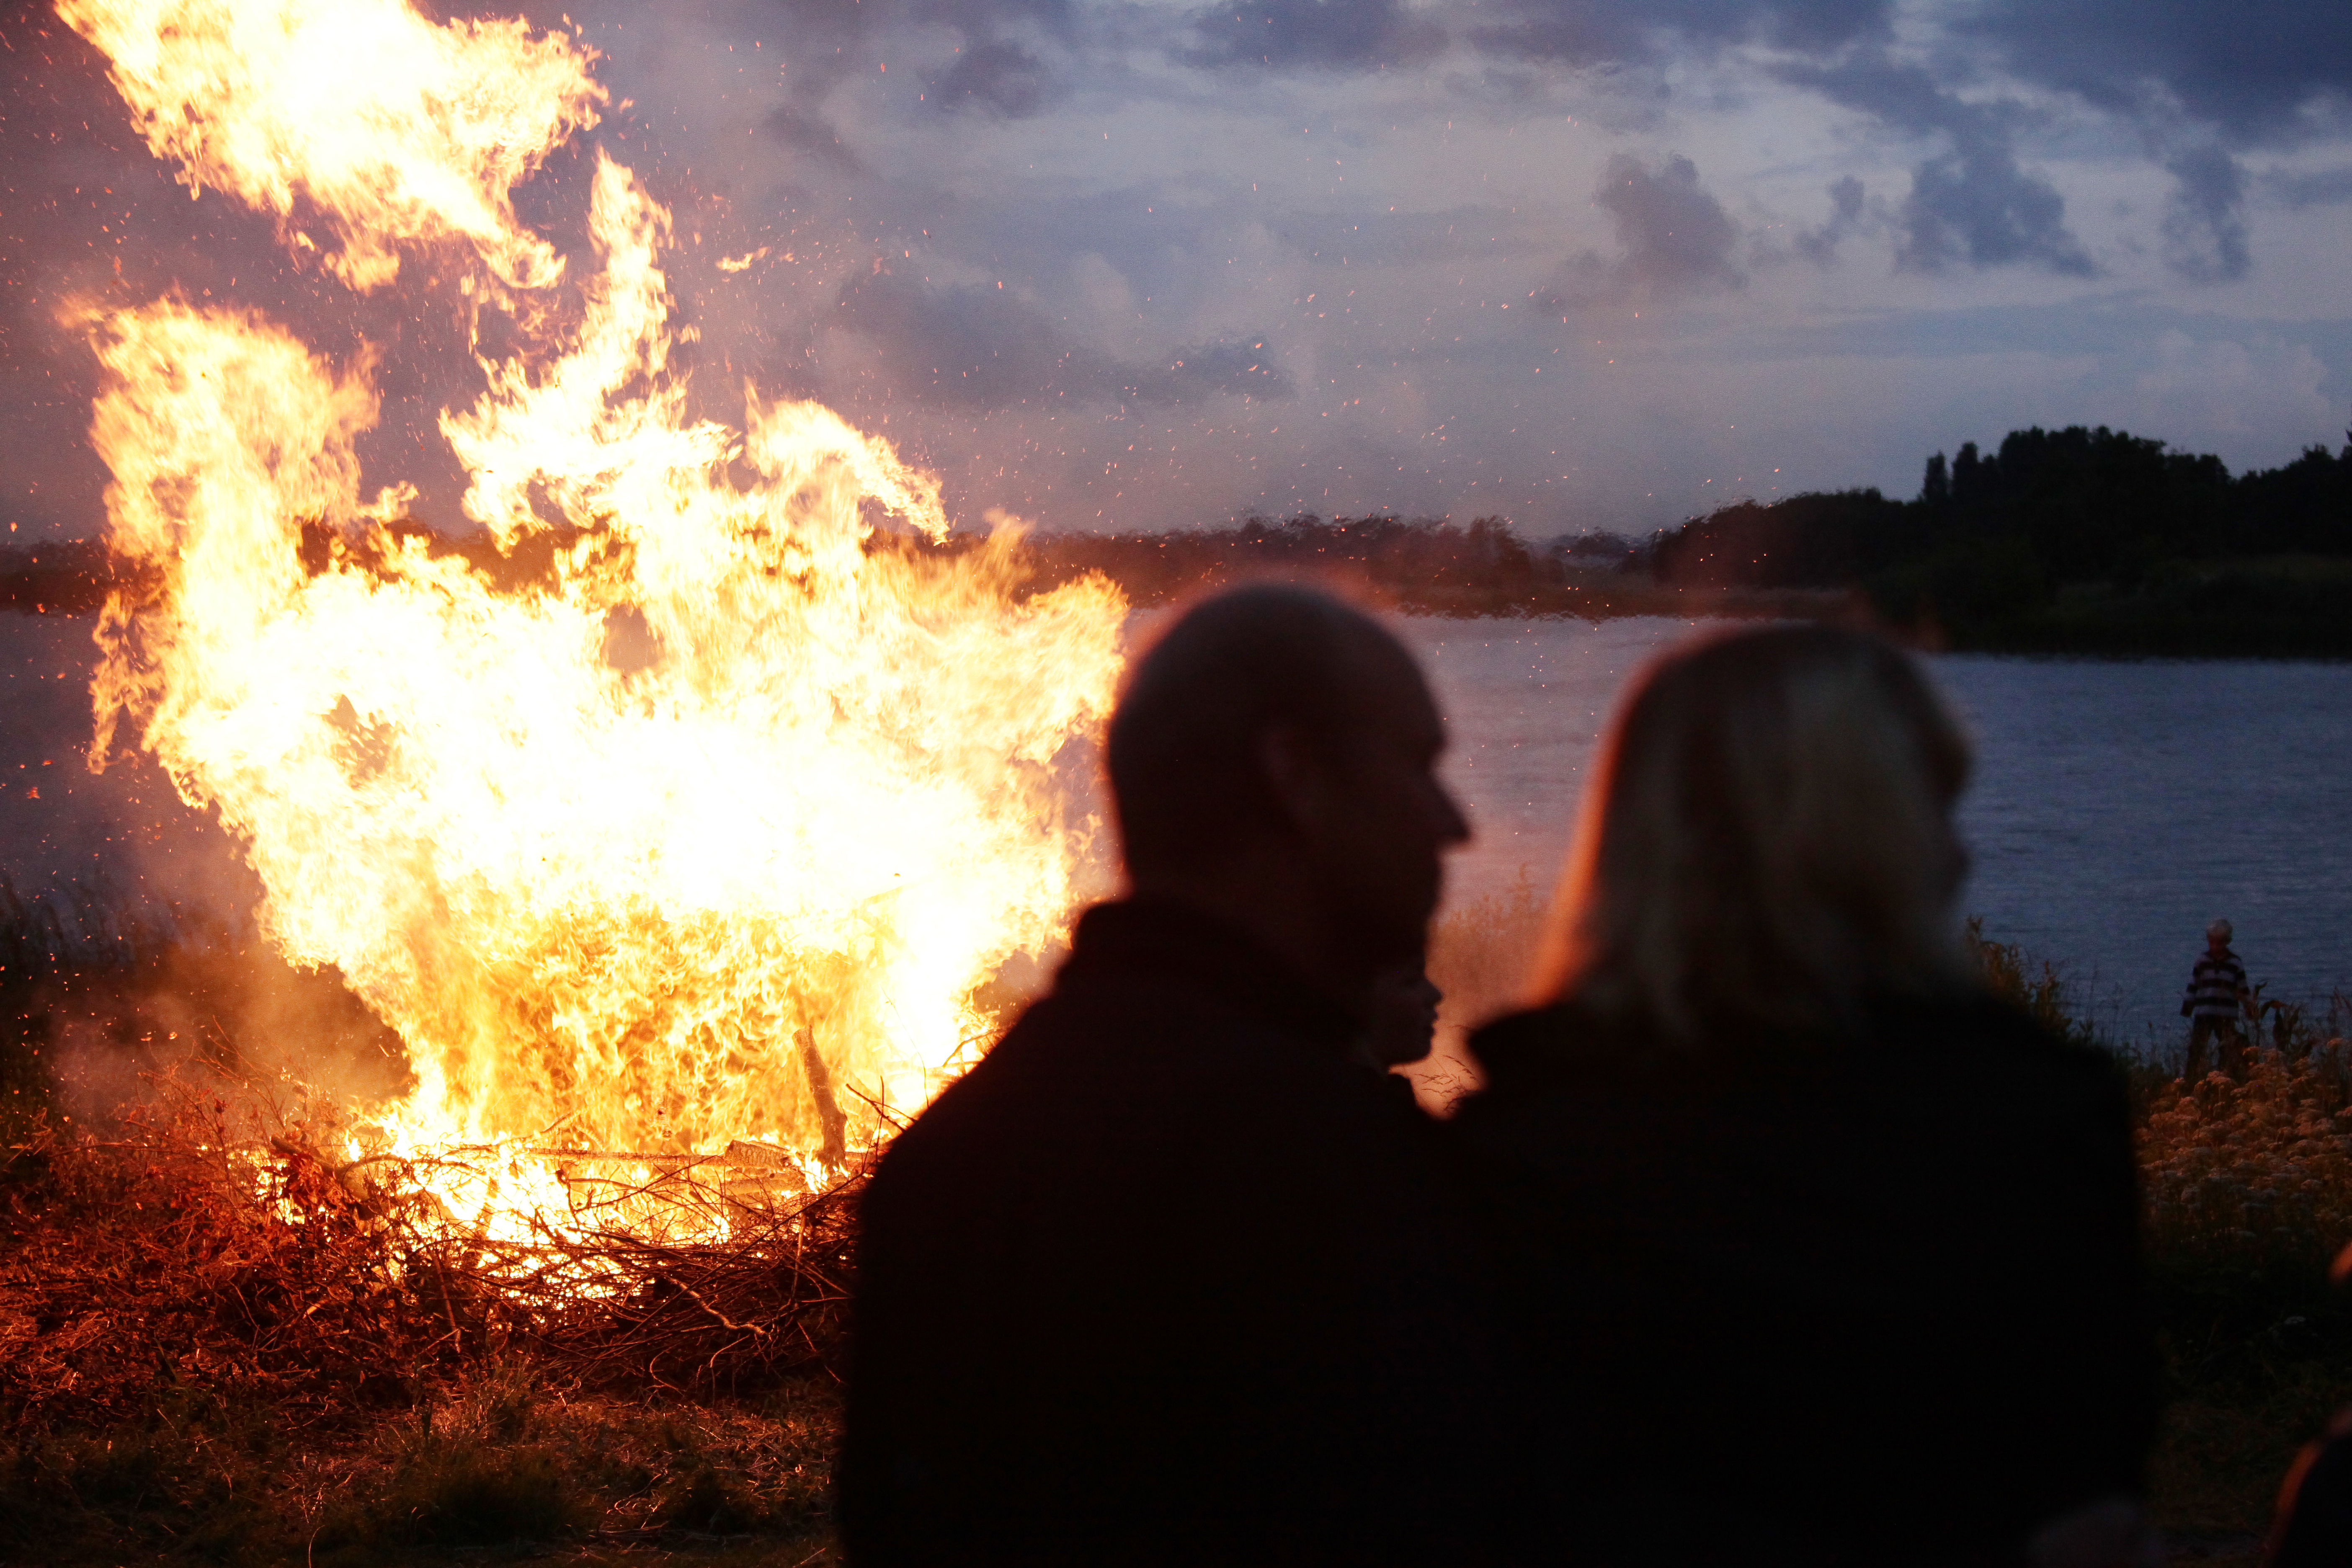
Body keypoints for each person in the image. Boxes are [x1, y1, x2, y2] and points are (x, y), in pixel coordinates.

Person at [1451, 624, 2160, 1568]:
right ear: (1870, 841)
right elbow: (2088, 1488)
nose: (1960, 858)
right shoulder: (2032, 1130)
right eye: (1935, 810)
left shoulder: (1514, 1150)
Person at [838, 585, 1494, 1567]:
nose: (1453, 822)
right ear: (1296, 774)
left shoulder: (949, 1156)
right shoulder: (1316, 1161)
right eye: (1415, 764)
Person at [2182, 918, 2251, 1080]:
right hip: (2204, 1013)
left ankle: (2224, 1078)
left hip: (2226, 1014)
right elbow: (2193, 985)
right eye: (2212, 942)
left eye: (2220, 943)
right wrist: (2188, 1006)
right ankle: (2190, 1079)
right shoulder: (2202, 961)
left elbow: (2243, 987)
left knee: (2227, 1048)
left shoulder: (2235, 963)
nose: (2216, 947)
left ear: (2227, 942)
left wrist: (2249, 1007)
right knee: (2197, 1049)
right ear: (2208, 941)